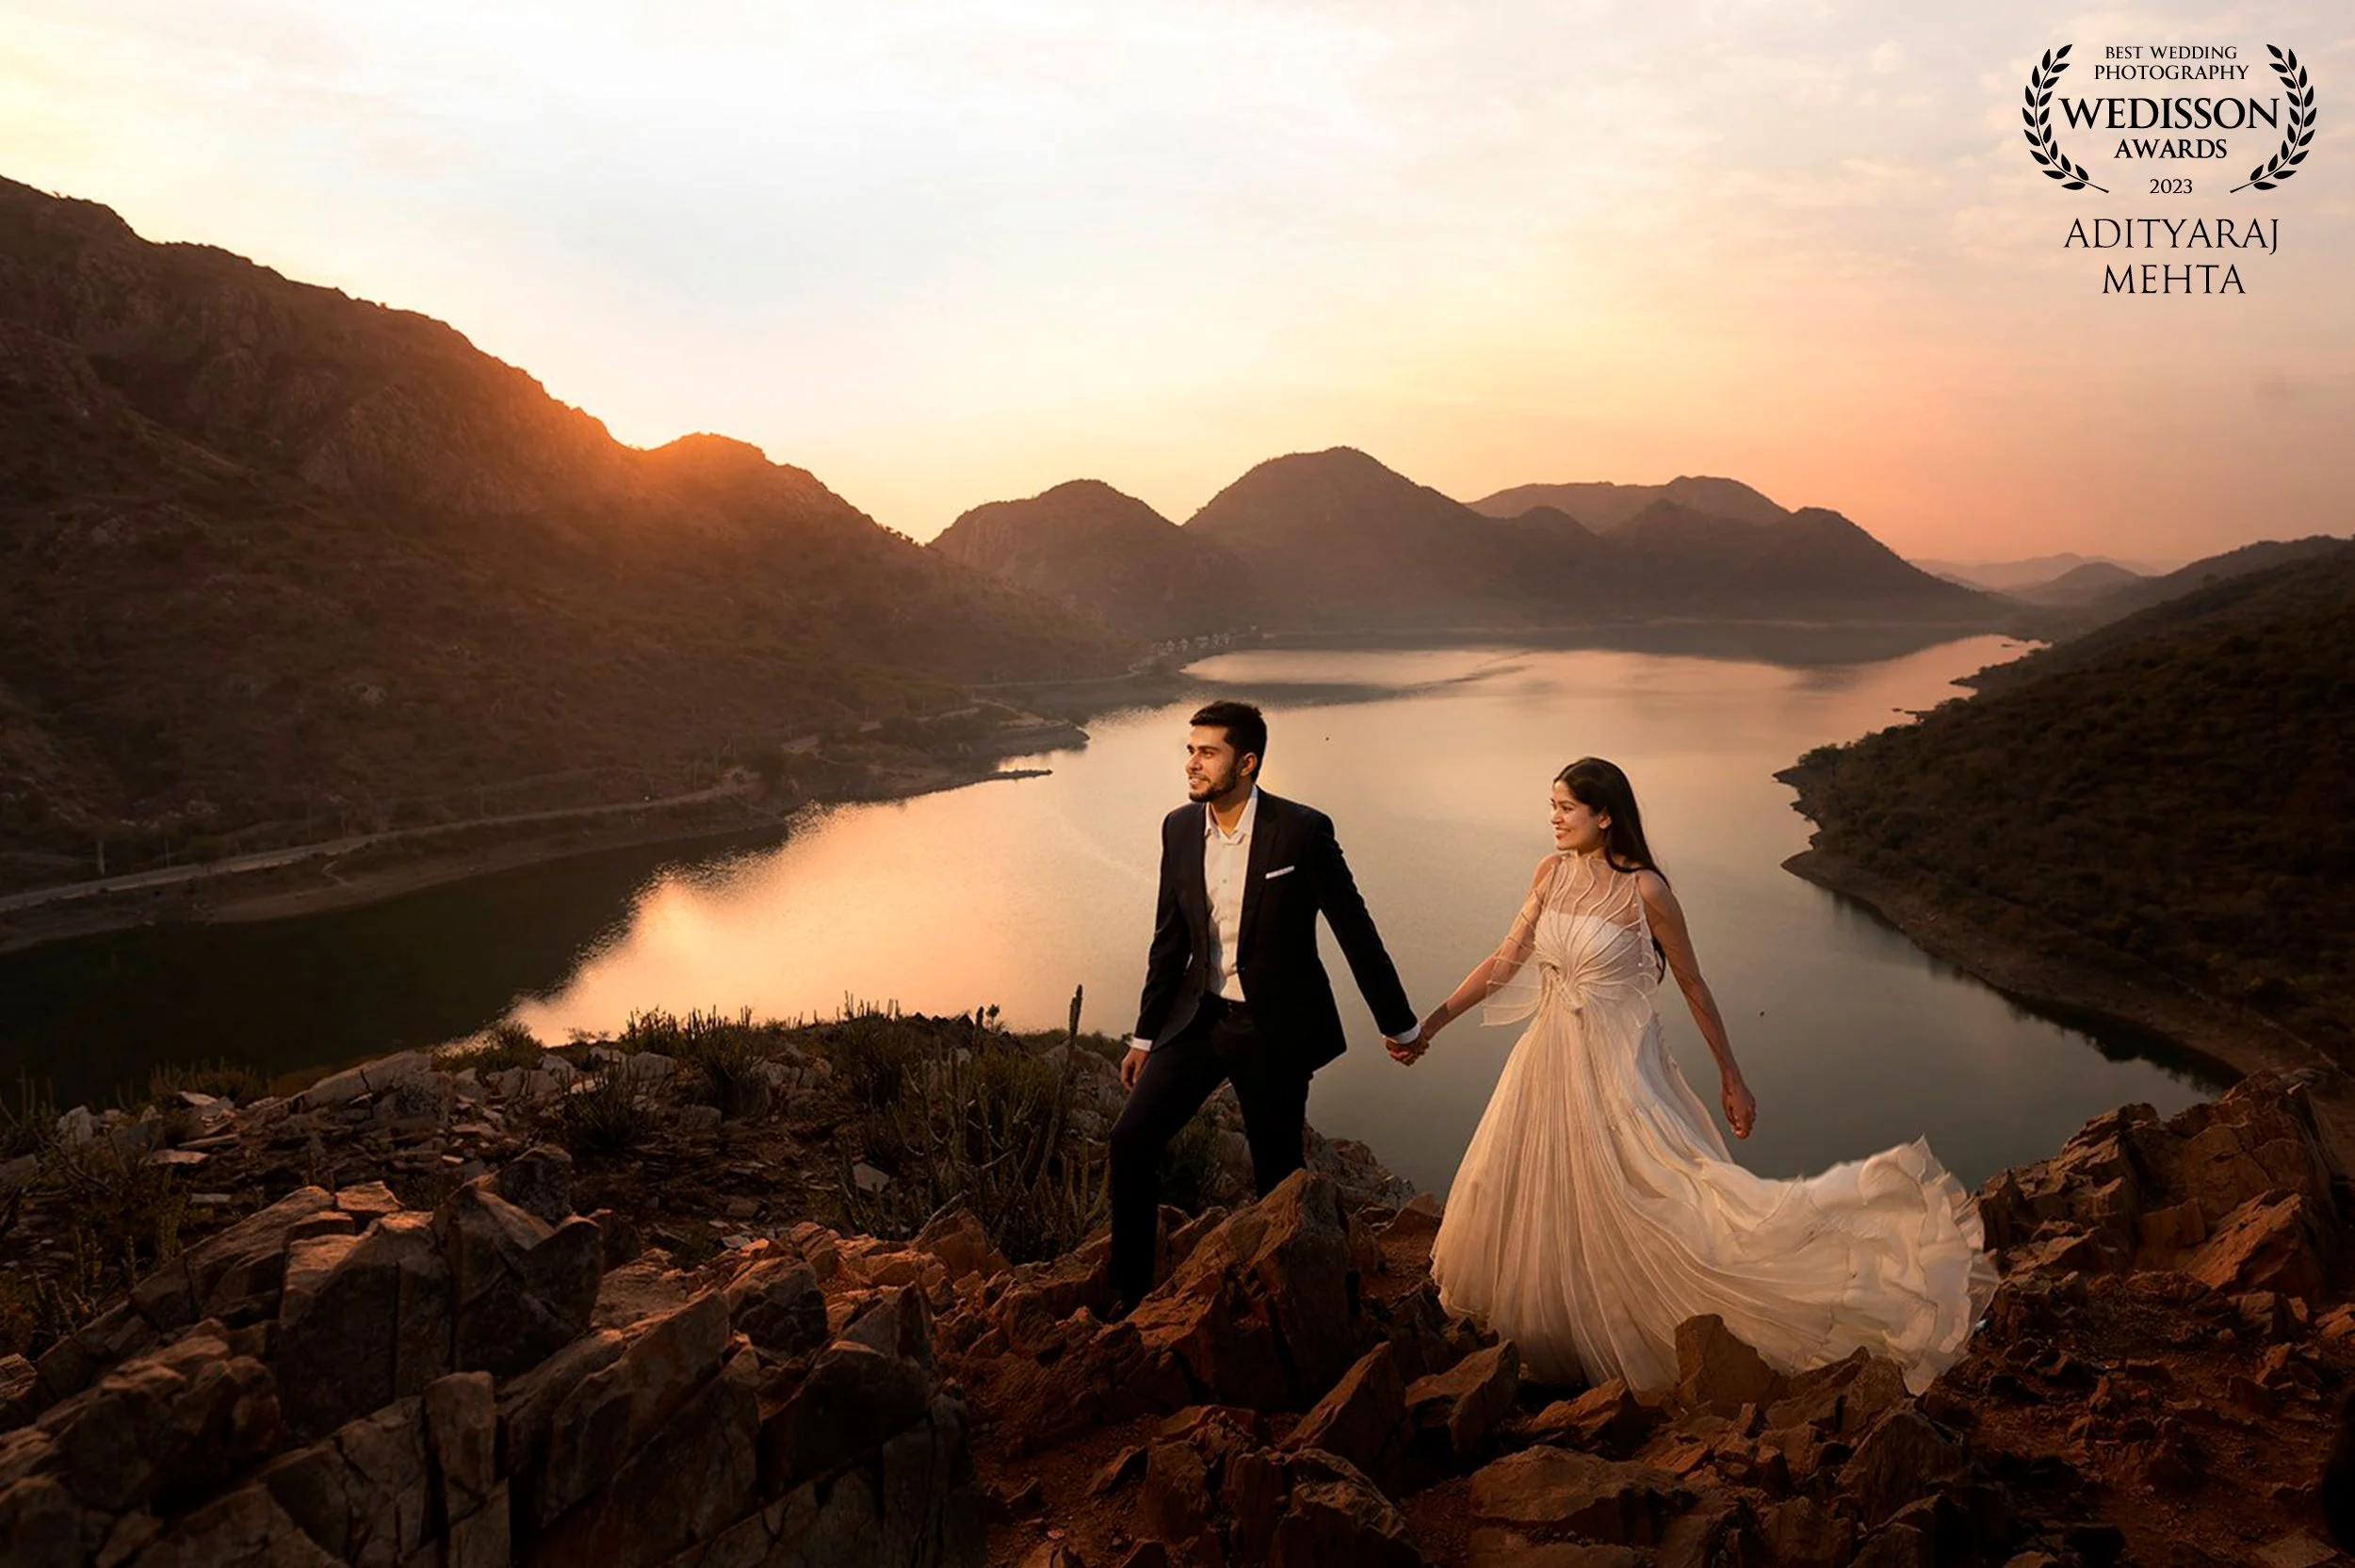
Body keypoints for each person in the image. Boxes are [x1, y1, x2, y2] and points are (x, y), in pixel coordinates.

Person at [1396, 756, 1996, 1393]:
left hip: (1617, 1072)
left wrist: (1731, 1076)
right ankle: (1556, 1330)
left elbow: (1691, 983)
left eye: (1566, 807)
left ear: (1605, 815)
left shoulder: (1646, 891)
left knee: (1652, 1201)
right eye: (1552, 805)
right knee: (1536, 1191)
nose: (1554, 818)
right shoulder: (1549, 874)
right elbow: (1505, 958)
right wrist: (1430, 1024)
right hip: (1544, 1065)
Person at [1111, 700, 1421, 1309]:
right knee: (1130, 1140)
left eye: (1207, 752)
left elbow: (1353, 929)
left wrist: (1401, 1024)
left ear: (1246, 762)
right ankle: (1128, 1293)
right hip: (1199, 1020)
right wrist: (1145, 1037)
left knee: (1277, 1178)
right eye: (1190, 749)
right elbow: (1169, 939)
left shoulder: (1301, 830)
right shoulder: (1178, 827)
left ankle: (1298, 1308)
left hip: (1273, 1029)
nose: (1191, 763)